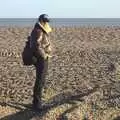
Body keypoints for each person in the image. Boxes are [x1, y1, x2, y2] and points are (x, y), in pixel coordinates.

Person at [29, 14, 52, 110]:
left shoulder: (40, 29)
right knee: (40, 80)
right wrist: (44, 56)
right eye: (46, 21)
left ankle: (37, 102)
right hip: (41, 59)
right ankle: (37, 104)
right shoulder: (38, 30)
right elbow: (35, 46)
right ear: (42, 21)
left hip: (41, 58)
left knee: (41, 80)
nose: (47, 23)